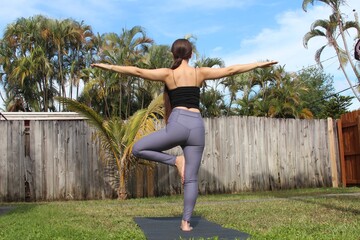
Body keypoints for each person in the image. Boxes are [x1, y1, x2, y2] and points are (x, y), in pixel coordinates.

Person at [91, 38, 277, 231]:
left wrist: (108, 66)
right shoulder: (200, 73)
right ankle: (186, 223)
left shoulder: (168, 74)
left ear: (173, 54)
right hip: (196, 126)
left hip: (178, 123)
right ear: (191, 55)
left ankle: (175, 161)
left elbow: (137, 71)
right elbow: (231, 70)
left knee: (138, 148)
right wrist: (258, 64)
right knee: (191, 179)